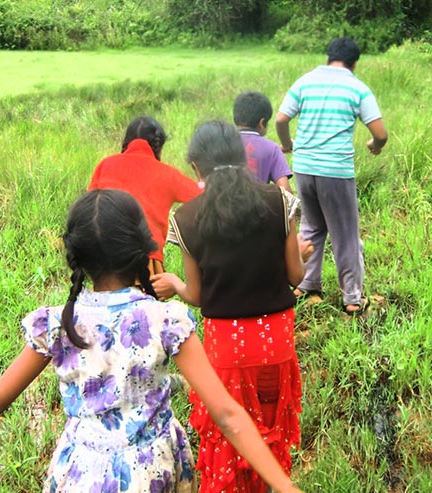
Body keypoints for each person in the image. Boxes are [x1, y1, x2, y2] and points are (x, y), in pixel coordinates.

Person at [0, 189, 304, 493]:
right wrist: (285, 488)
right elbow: (228, 415)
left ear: (76, 256)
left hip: (80, 473)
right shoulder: (165, 319)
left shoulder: (56, 324)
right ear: (144, 248)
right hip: (152, 472)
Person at [151, 121, 313, 493]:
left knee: (230, 437)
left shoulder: (187, 218)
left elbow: (200, 296)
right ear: (242, 158)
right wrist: (300, 254)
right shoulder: (279, 200)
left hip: (228, 349)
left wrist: (175, 285)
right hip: (276, 341)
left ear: (196, 167)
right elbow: (295, 277)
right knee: (269, 432)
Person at [275, 36, 388, 316]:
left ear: (328, 58)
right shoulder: (358, 88)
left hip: (303, 166)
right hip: (335, 171)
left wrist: (288, 145)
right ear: (354, 64)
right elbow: (380, 133)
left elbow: (281, 119)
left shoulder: (305, 81)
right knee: (345, 233)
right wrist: (375, 147)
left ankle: (306, 283)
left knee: (311, 227)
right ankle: (351, 297)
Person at [88, 115, 201, 275]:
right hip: (147, 261)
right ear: (158, 145)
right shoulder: (168, 174)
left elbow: (87, 209)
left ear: (126, 141)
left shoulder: (105, 165)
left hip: (105, 257)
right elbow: (203, 197)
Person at [233, 91, 293, 192]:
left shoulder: (221, 143)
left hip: (223, 206)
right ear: (262, 123)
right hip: (258, 206)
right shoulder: (272, 149)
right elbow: (286, 192)